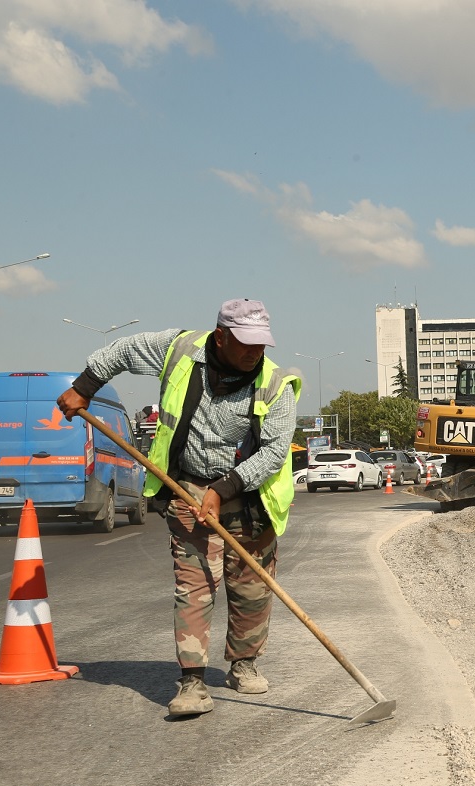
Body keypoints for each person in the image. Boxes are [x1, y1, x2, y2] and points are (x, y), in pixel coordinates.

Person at [57, 299, 300, 717]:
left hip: (250, 497)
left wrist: (224, 490)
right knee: (194, 584)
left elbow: (275, 451)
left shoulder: (276, 385)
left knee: (251, 587)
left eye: (261, 345)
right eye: (245, 343)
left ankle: (244, 664)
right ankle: (192, 682)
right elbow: (123, 351)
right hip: (187, 488)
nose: (254, 353)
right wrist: (84, 388)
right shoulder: (180, 350)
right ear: (220, 336)